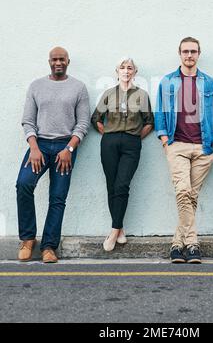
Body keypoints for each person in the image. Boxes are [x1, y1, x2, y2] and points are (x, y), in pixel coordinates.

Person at [16, 47, 90, 263]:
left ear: (68, 61)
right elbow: (28, 121)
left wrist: (69, 149)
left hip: (65, 148)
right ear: (49, 61)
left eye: (62, 59)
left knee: (58, 197)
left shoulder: (78, 88)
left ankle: (49, 246)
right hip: (39, 146)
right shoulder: (36, 86)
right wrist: (34, 147)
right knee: (24, 184)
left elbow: (83, 123)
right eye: (54, 59)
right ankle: (28, 239)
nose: (58, 62)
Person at [155, 37, 213, 263]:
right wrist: (165, 139)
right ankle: (193, 245)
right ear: (179, 53)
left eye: (193, 51)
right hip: (177, 144)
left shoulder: (209, 83)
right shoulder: (167, 82)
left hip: (203, 146)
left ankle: (176, 245)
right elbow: (160, 111)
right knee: (183, 192)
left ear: (199, 53)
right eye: (185, 51)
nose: (189, 55)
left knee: (191, 196)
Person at [91, 58, 154, 252]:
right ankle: (120, 228)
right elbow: (96, 119)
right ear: (116, 71)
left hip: (131, 143)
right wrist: (109, 133)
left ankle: (113, 231)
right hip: (109, 143)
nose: (126, 71)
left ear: (135, 72)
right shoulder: (109, 94)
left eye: (130, 68)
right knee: (112, 185)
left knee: (122, 184)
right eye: (122, 68)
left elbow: (149, 122)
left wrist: (134, 137)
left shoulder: (141, 95)